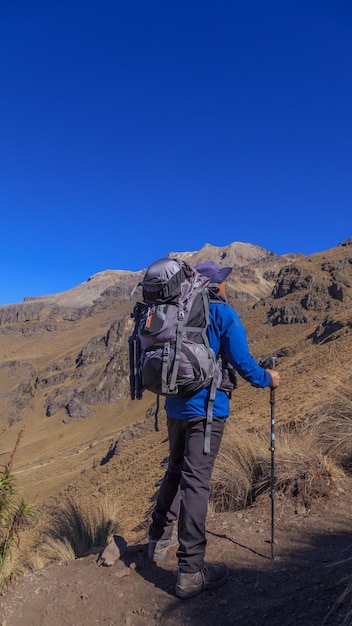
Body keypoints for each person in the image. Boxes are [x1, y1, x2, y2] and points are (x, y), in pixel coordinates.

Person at [147, 260, 280, 599]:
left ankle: (157, 539)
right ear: (213, 285)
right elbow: (244, 364)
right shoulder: (223, 314)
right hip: (207, 411)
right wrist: (269, 379)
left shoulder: (175, 311)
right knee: (196, 483)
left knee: (175, 471)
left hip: (174, 407)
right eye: (222, 281)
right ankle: (190, 571)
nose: (226, 286)